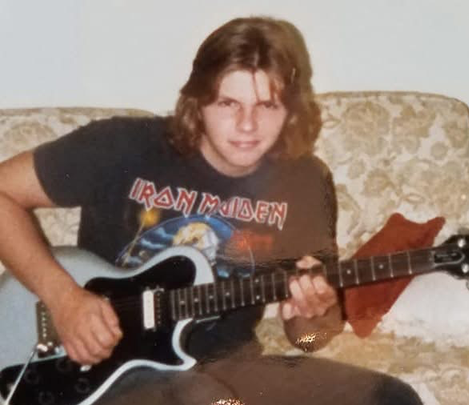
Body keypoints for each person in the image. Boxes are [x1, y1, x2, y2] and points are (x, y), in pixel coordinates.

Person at [0, 17, 422, 405]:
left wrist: (316, 316)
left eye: (267, 105)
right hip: (111, 369)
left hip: (230, 368)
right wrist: (64, 298)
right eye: (227, 103)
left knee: (392, 399)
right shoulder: (122, 146)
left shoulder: (305, 182)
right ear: (197, 102)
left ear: (291, 110)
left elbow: (310, 340)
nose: (247, 125)